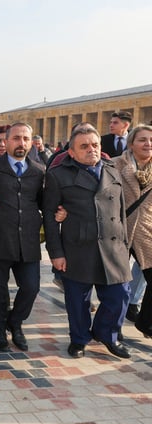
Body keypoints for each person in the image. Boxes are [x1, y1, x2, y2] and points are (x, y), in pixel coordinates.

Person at [43, 127, 131, 359]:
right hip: (78, 247)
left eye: (95, 145)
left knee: (120, 296)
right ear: (71, 152)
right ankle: (79, 339)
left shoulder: (113, 170)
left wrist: (125, 244)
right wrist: (56, 253)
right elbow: (50, 219)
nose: (91, 149)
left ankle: (106, 333)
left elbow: (120, 211)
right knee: (78, 300)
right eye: (84, 146)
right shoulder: (58, 175)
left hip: (113, 246)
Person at [0, 123, 45, 352]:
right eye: (17, 138)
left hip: (27, 241)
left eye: (26, 139)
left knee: (31, 287)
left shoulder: (38, 171)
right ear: (6, 141)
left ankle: (15, 322)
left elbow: (42, 203)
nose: (22, 143)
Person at [112, 124, 152, 337]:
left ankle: (145, 323)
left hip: (147, 231)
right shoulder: (115, 165)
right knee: (117, 285)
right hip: (119, 229)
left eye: (151, 140)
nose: (148, 144)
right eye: (143, 140)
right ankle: (110, 328)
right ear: (131, 143)